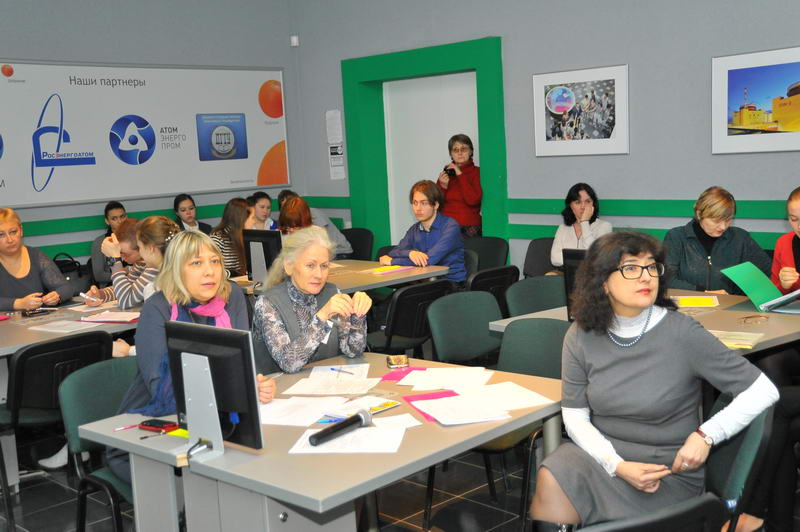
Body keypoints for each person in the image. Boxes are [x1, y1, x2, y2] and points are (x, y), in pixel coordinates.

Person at [530, 231, 778, 529]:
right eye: (631, 268)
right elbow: (575, 416)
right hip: (604, 459)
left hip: (664, 473)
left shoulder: (681, 333)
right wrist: (616, 465)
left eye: (651, 267)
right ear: (602, 281)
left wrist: (707, 434)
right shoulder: (580, 335)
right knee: (554, 470)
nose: (646, 277)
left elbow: (763, 390)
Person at [107, 231, 276, 483]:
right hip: (153, 429)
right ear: (177, 270)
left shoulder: (233, 298)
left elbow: (240, 366)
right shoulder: (158, 308)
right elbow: (160, 387)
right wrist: (235, 390)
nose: (210, 271)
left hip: (218, 424)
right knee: (209, 491)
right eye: (196, 263)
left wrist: (254, 385)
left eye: (214, 261)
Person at [252, 226, 371, 373]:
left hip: (326, 382)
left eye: (324, 266)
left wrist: (358, 315)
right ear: (289, 266)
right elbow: (289, 363)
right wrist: (322, 317)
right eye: (310, 265)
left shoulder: (332, 292)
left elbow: (353, 350)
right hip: (279, 389)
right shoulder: (267, 303)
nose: (319, 274)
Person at [664, 186, 770, 295]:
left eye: (728, 220)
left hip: (730, 307)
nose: (723, 227)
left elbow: (768, 272)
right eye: (716, 221)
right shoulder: (676, 237)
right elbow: (667, 280)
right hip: (688, 306)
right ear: (699, 214)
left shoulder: (740, 239)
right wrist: (703, 292)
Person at [378, 180, 466, 284]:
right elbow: (394, 252)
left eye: (424, 203)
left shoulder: (450, 226)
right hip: (424, 282)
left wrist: (392, 262)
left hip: (451, 285)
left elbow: (428, 261)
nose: (418, 209)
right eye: (415, 203)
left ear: (436, 205)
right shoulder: (414, 229)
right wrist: (410, 253)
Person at [0, 208, 73, 311]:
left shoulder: (36, 256)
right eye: (1, 235)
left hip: (37, 321)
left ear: (21, 230)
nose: (10, 240)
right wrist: (19, 304)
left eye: (13, 232)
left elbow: (66, 288)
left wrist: (57, 296)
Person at [550, 183, 612, 268]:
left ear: (593, 204)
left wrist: (584, 223)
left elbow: (596, 258)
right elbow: (555, 259)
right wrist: (583, 259)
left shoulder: (604, 226)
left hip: (590, 277)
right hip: (565, 275)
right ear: (571, 206)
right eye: (578, 202)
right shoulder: (563, 228)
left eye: (588, 201)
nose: (583, 206)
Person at [278, 190, 353, 258]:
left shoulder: (313, 213)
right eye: (284, 207)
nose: (288, 209)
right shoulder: (286, 220)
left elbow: (320, 241)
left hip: (338, 252)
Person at [436, 133, 483, 238]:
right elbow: (435, 204)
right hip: (446, 226)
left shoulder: (477, 172)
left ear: (471, 151)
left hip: (469, 227)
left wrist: (460, 174)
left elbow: (473, 200)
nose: (460, 153)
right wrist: (443, 187)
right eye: (455, 150)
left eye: (464, 149)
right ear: (451, 154)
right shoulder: (446, 173)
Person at [771, 186, 800, 294]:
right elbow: (773, 294)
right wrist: (784, 285)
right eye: (794, 219)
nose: (799, 226)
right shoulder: (783, 243)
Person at [211, 197, 250, 277]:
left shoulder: (243, 236)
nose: (254, 221)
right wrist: (234, 273)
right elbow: (212, 269)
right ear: (240, 218)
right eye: (251, 218)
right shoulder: (218, 238)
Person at [90, 201, 127, 286]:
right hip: (110, 287)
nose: (120, 221)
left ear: (126, 216)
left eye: (122, 216)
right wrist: (126, 272)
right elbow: (99, 276)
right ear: (107, 221)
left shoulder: (136, 237)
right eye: (114, 218)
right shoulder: (99, 242)